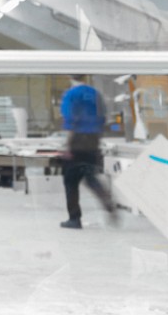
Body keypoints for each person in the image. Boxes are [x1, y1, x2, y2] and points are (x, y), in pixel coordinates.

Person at [58, 75, 116, 230]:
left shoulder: (71, 94)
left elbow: (70, 121)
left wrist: (67, 146)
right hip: (93, 140)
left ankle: (74, 219)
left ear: (70, 77)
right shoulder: (95, 93)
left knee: (70, 180)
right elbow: (103, 118)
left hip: (77, 140)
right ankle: (108, 203)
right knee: (90, 177)